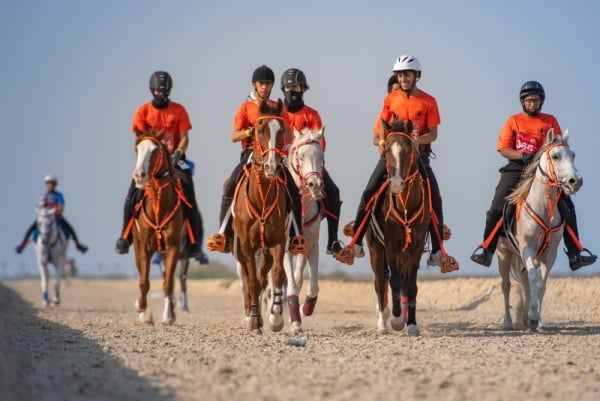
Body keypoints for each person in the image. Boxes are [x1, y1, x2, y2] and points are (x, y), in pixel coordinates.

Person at [337, 55, 458, 269]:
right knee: (369, 192)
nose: (403, 79)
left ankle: (439, 252)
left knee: (435, 197)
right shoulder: (391, 100)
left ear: (416, 76)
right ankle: (355, 243)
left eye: (407, 75)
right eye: (400, 75)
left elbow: (433, 134)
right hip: (392, 160)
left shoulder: (429, 101)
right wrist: (383, 141)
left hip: (419, 159)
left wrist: (416, 141)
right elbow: (382, 125)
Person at [470, 81, 597, 271]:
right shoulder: (513, 121)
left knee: (567, 208)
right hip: (516, 169)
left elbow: (559, 146)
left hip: (544, 170)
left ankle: (575, 253)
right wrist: (521, 155)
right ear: (522, 102)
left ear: (541, 102)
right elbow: (503, 149)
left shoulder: (550, 121)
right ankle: (486, 249)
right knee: (497, 206)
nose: (532, 103)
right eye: (528, 100)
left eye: (536, 100)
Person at [205, 65, 307, 255]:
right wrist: (249, 132)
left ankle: (296, 236)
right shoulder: (245, 108)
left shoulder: (278, 107)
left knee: (293, 190)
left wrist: (281, 150)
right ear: (254, 85)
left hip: (273, 154)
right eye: (261, 84)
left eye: (269, 84)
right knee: (229, 185)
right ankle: (223, 234)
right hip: (250, 154)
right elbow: (233, 136)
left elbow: (287, 135)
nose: (265, 87)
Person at [115, 71, 206, 260]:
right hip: (149, 162)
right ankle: (125, 237)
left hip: (174, 160)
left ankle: (193, 242)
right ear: (151, 91)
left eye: (164, 92)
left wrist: (178, 153)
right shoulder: (142, 112)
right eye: (157, 91)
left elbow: (184, 138)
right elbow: (140, 139)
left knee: (189, 194)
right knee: (132, 194)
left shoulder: (179, 111)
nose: (161, 95)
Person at [280, 67, 343, 255]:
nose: (293, 91)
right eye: (289, 87)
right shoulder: (277, 112)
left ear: (303, 90)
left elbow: (320, 142)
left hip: (308, 166)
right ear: (283, 89)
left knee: (333, 191)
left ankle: (332, 241)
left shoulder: (312, 114)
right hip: (280, 164)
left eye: (298, 87)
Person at [15, 174, 88, 254]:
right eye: (48, 183)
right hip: (45, 217)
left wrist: (58, 211)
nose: (50, 185)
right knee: (30, 229)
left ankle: (78, 245)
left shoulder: (59, 195)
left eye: (52, 184)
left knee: (70, 228)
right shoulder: (44, 196)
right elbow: (41, 207)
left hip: (56, 217)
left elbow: (61, 206)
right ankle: (22, 245)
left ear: (55, 185)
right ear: (46, 185)